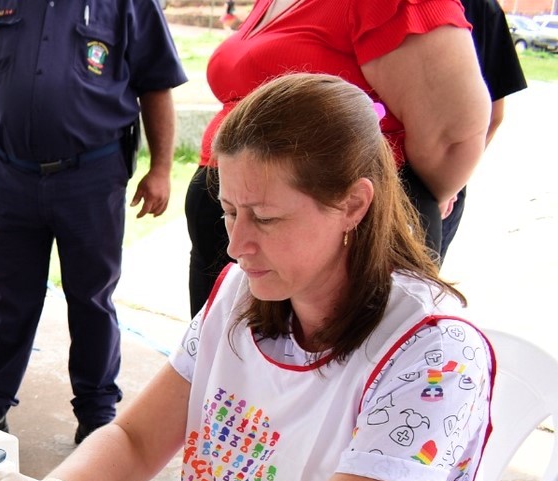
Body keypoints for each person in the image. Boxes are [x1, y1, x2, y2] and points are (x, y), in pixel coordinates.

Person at [0, 74, 495, 481]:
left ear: (353, 205)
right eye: (228, 210)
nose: (236, 244)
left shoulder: (433, 353)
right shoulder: (241, 293)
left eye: (266, 218)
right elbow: (135, 438)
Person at [0, 0, 186, 444]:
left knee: (91, 300)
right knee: (9, 299)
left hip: (91, 176)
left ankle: (96, 416)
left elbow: (156, 85)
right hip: (10, 177)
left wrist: (161, 169)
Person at [184, 0, 490, 316]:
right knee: (223, 358)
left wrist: (388, 211)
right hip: (243, 242)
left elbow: (451, 137)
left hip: (331, 243)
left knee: (339, 358)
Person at [441, 0, 527, 256]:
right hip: (436, 191)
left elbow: (492, 116)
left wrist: (446, 189)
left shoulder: (480, 7)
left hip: (432, 195)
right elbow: (492, 117)